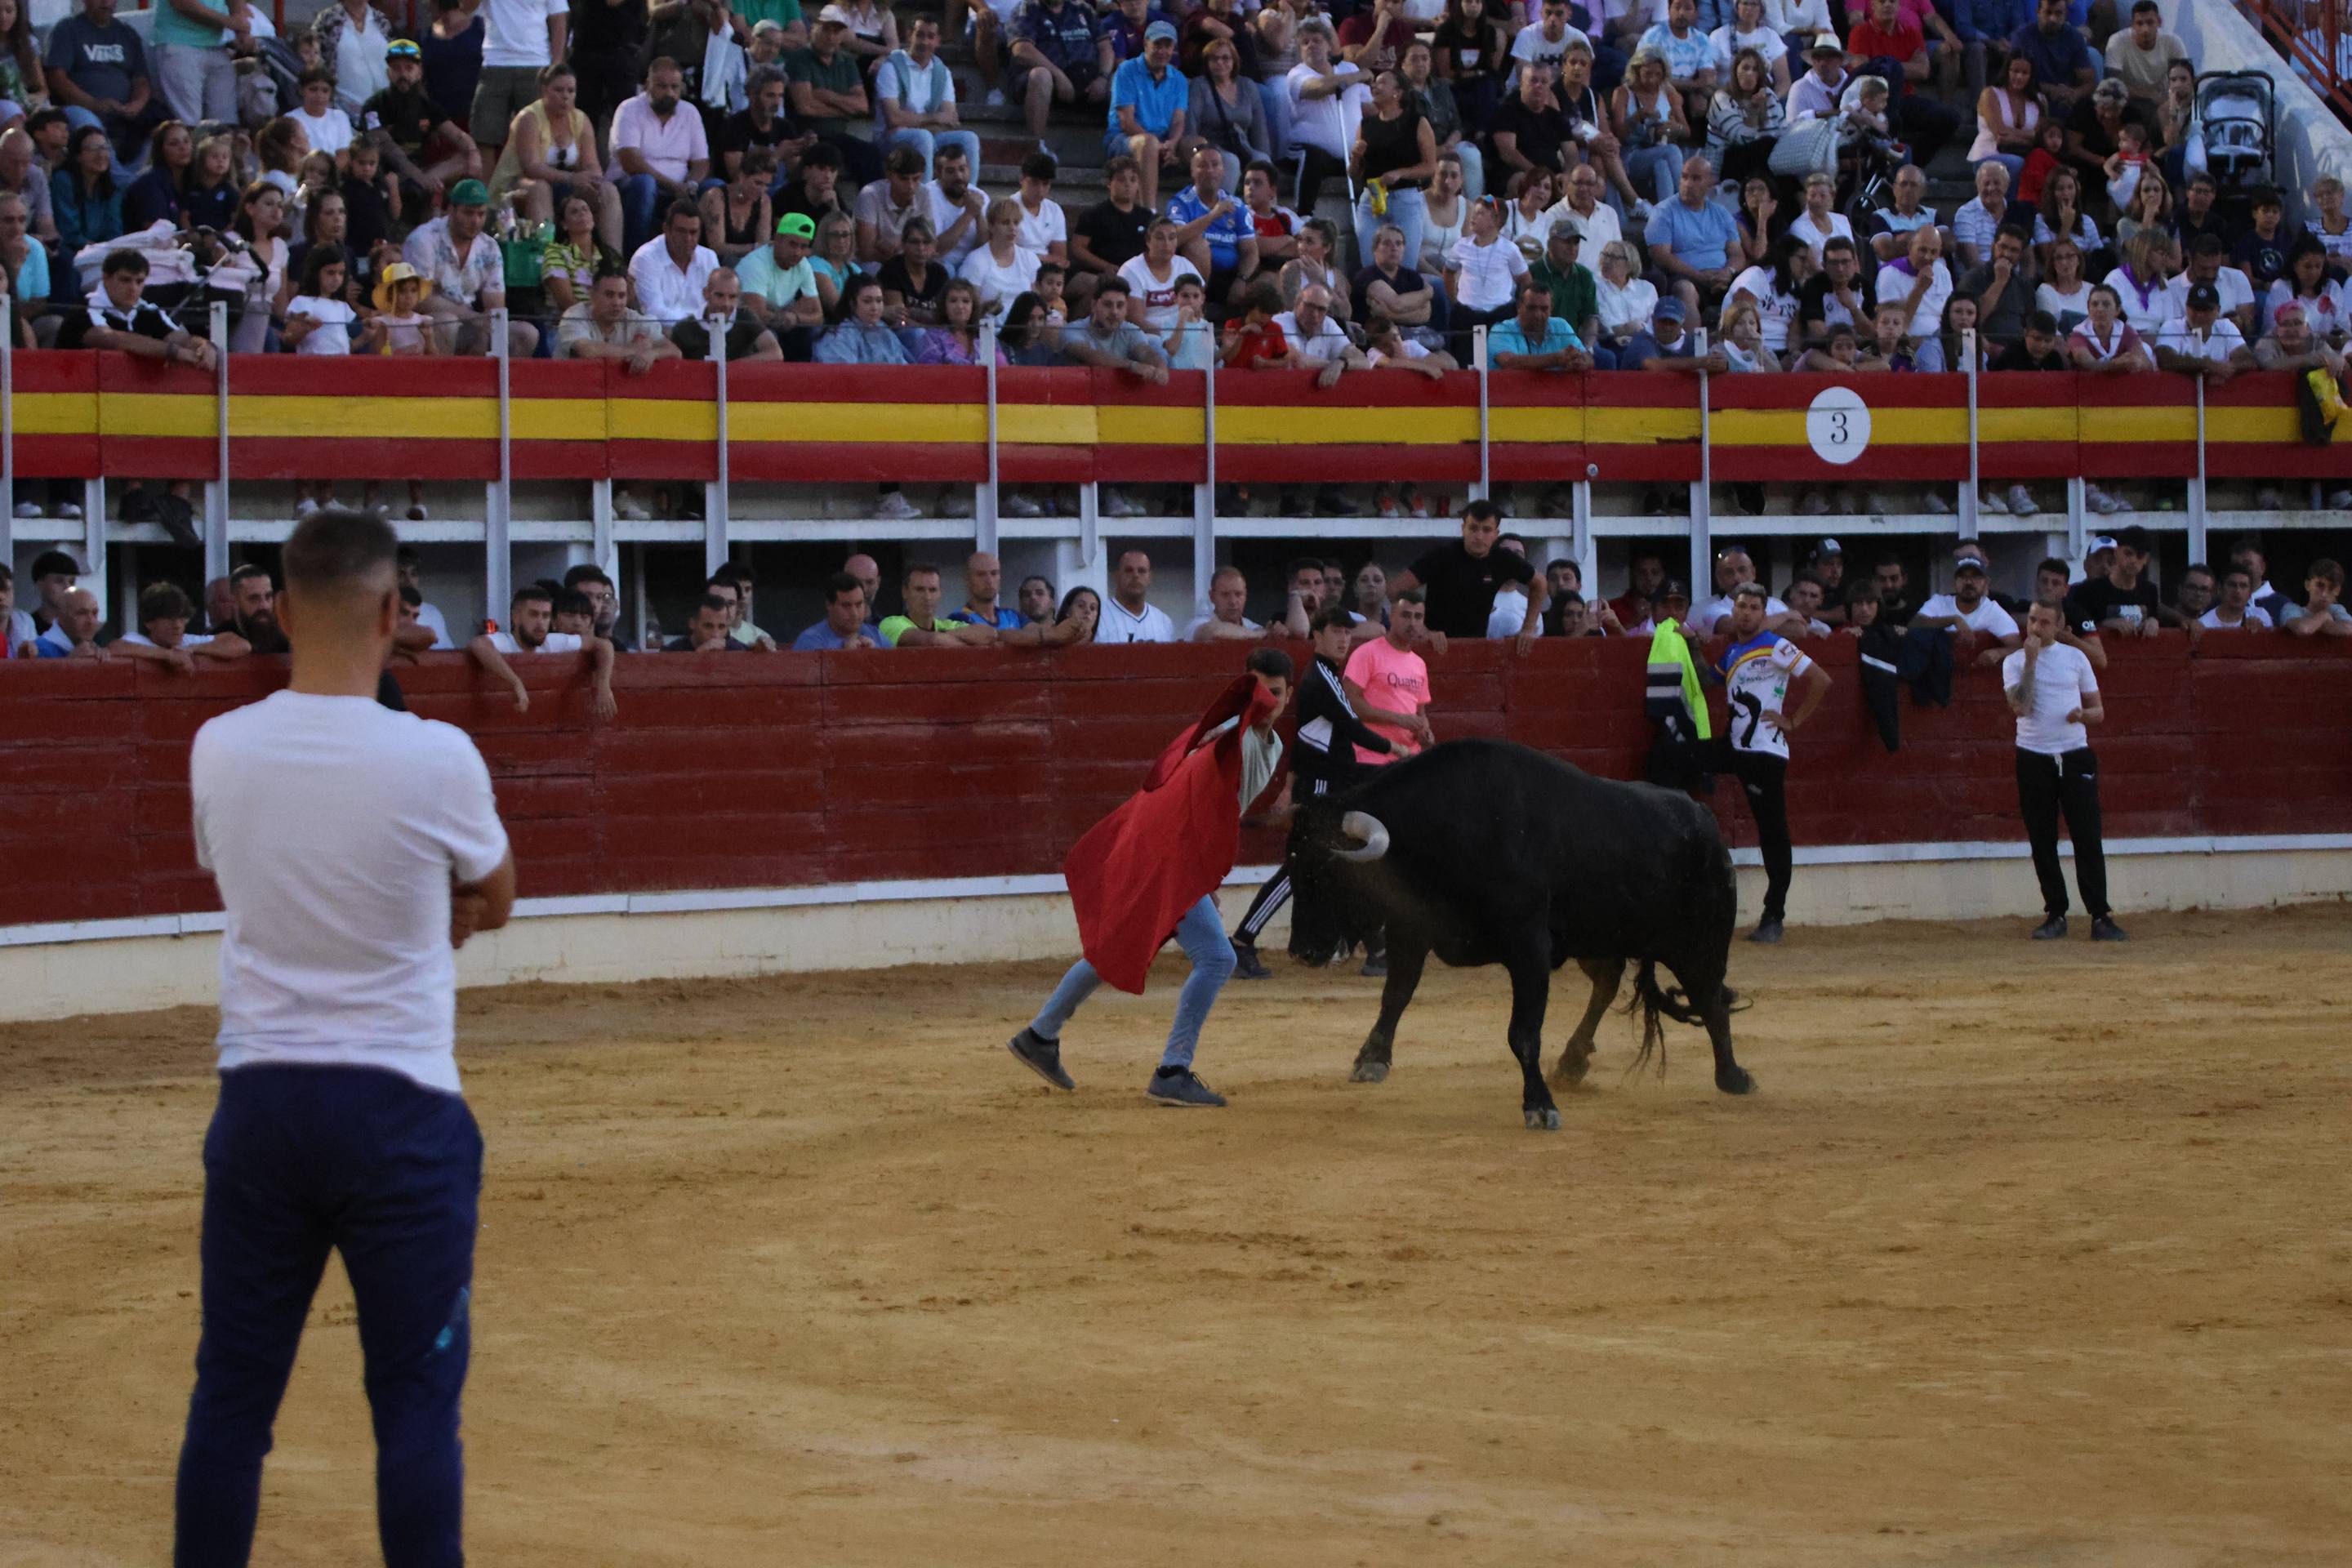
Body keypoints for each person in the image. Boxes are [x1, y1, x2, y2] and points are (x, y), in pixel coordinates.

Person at [174, 508, 514, 1566]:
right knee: (414, 1407)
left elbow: (236, 868)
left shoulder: (219, 747)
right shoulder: (439, 756)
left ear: (278, 611)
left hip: (264, 1102)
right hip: (400, 1107)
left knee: (232, 1399)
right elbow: (497, 895)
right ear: (390, 612)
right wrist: (451, 904)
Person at [1004, 650, 1294, 1108]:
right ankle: (1172, 1070)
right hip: (1169, 858)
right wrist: (1197, 875)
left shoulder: (1265, 744)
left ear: (1288, 695)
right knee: (1217, 959)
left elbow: (1218, 811)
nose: (1265, 702)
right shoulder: (1226, 739)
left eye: (1274, 694)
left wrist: (1203, 874)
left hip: (1175, 856)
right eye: (1258, 691)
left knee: (1119, 945)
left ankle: (1040, 1035)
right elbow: (1193, 803)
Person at [1229, 607, 1408, 979]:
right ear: (1317, 635)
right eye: (1336, 631)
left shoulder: (1325, 676)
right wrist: (1396, 750)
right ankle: (1243, 942)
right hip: (1324, 789)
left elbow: (1309, 739)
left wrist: (1289, 785)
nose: (1344, 639)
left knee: (1340, 865)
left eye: (1347, 632)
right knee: (1302, 869)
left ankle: (1375, 948)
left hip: (1333, 784)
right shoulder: (1321, 679)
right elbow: (1352, 728)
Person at [1712, 581, 1829, 944]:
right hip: (1736, 746)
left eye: (1753, 608)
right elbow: (1706, 678)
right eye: (1741, 606)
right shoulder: (1733, 652)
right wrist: (1688, 640)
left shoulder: (1776, 645)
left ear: (1763, 614)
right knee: (1675, 757)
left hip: (1764, 753)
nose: (1746, 613)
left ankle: (1774, 915)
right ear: (1733, 610)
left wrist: (1792, 721)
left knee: (1772, 832)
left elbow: (1821, 680)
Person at [2005, 595, 2123, 941]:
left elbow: (2099, 711)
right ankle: (2055, 913)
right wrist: (2030, 662)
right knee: (2042, 839)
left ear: (2059, 625)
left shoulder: (2076, 658)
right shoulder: (2014, 662)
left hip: (2074, 753)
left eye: (2044, 622)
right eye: (2032, 621)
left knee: (2087, 836)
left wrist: (2083, 715)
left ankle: (2100, 915)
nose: (2036, 628)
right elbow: (2021, 708)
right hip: (2033, 756)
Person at [1389, 501, 1544, 644]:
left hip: (1475, 647)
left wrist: (1528, 628)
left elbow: (1540, 584)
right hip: (1435, 645)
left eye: (1486, 530)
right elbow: (1395, 589)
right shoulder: (1442, 556)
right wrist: (1422, 630)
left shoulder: (1502, 559)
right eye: (1473, 528)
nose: (1479, 536)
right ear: (1463, 529)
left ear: (1496, 534)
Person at [793, 571, 881, 648]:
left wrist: (876, 653)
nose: (854, 613)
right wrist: (845, 655)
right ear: (829, 605)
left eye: (859, 605)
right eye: (846, 606)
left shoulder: (876, 636)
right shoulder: (810, 641)